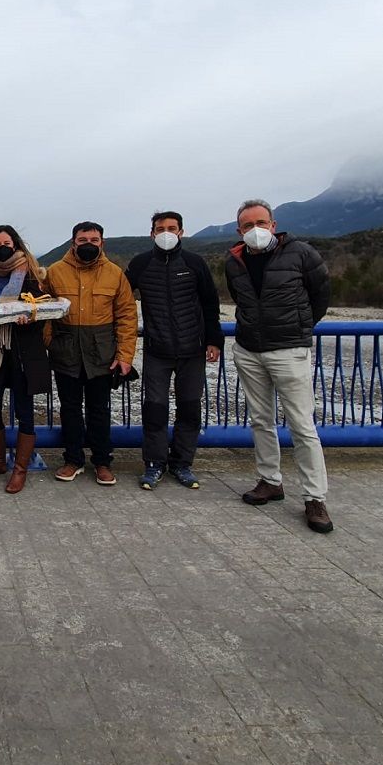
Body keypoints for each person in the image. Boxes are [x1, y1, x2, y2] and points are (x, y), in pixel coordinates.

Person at [224, 198, 334, 533]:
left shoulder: (301, 253)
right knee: (261, 420)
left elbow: (321, 295)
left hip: (289, 350)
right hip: (249, 350)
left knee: (302, 425)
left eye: (261, 223)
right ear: (239, 231)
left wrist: (299, 328)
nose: (255, 229)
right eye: (247, 225)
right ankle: (270, 480)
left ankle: (315, 498)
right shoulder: (234, 261)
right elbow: (241, 299)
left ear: (273, 225)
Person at [125, 211, 223, 491]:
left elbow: (210, 303)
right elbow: (120, 297)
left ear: (181, 232)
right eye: (160, 228)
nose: (166, 232)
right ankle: (154, 464)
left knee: (189, 408)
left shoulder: (195, 263)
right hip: (157, 350)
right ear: (152, 233)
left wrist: (214, 340)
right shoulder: (141, 263)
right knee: (154, 410)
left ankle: (182, 463)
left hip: (193, 349)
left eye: (171, 228)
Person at [45, 221, 137, 485]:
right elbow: (43, 311)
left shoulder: (115, 273)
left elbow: (127, 316)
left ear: (102, 243)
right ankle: (72, 460)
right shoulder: (54, 272)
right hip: (66, 352)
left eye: (94, 240)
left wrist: (125, 356)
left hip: (102, 354)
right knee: (69, 409)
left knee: (99, 410)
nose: (88, 244)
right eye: (83, 240)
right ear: (73, 242)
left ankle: (102, 462)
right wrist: (50, 343)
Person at [0, 225, 51, 495]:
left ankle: (20, 468)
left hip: (23, 351)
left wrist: (28, 319)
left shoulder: (31, 274)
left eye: (6, 243)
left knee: (24, 411)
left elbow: (42, 311)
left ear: (15, 244)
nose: (2, 248)